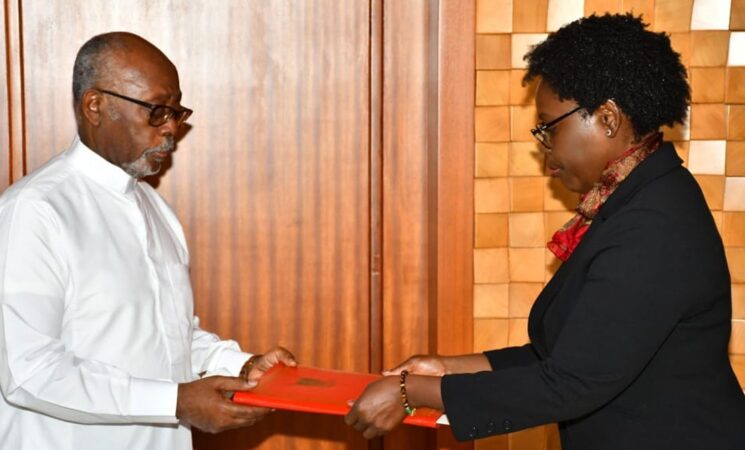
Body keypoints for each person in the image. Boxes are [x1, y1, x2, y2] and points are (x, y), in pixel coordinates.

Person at [345, 13, 745, 450]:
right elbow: (565, 357)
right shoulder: (634, 202)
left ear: (607, 118)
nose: (546, 149)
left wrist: (411, 394)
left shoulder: (653, 224)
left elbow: (571, 383)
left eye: (550, 127)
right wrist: (447, 367)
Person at [0, 32, 296, 450]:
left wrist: (241, 365)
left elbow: (168, 337)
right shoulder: (35, 211)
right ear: (95, 106)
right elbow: (28, 373)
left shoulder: (157, 210)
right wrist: (176, 401)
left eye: (176, 112)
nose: (172, 127)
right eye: (157, 111)